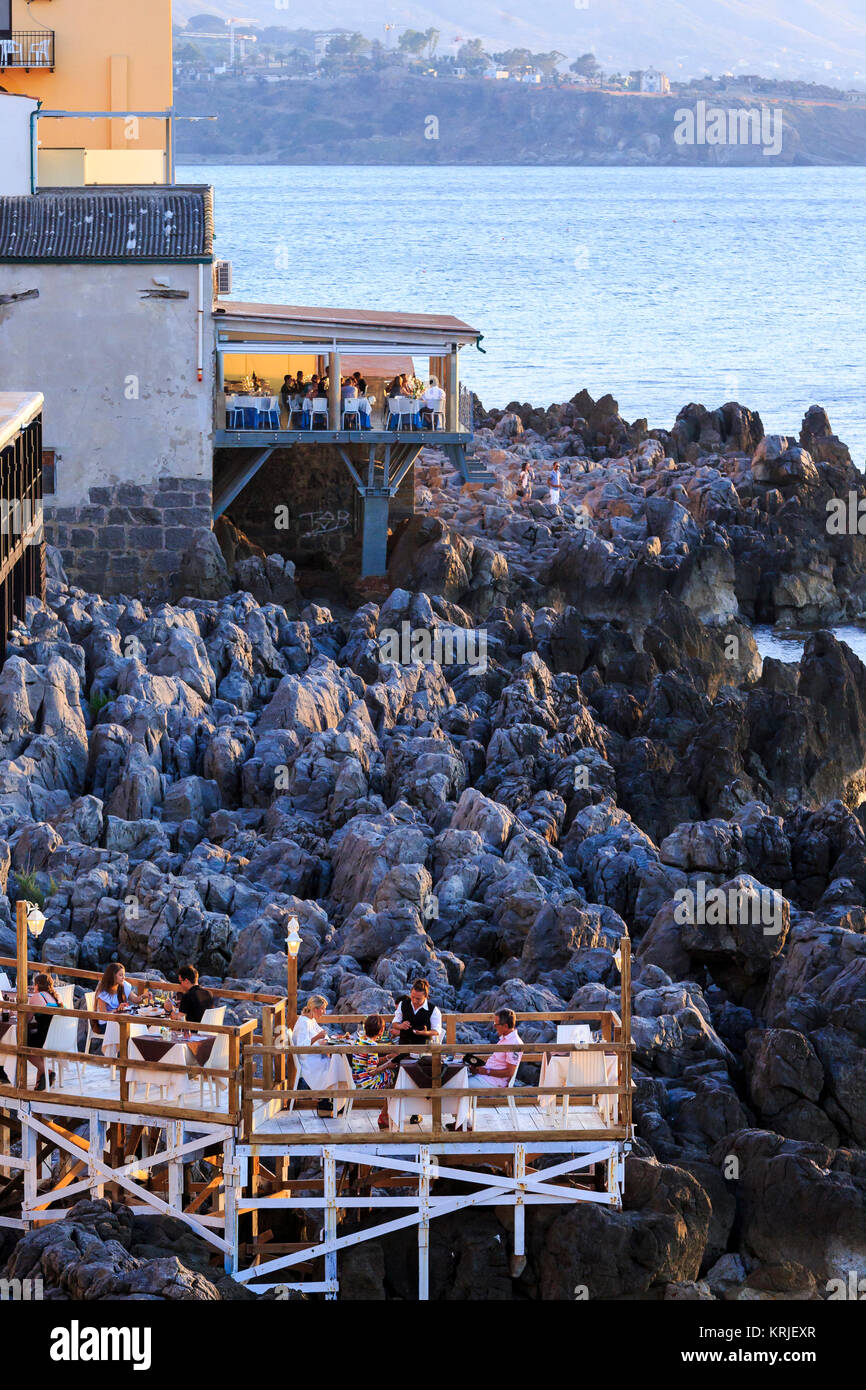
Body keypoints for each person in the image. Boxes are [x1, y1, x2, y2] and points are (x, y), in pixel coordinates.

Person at [349, 1014, 396, 1130]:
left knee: (390, 1076)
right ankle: (387, 1115)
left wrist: (386, 1058)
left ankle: (385, 1115)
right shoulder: (372, 1046)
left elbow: (369, 1062)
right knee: (394, 1077)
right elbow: (372, 1072)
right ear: (381, 1031)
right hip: (367, 1084)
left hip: (357, 1080)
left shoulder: (360, 1040)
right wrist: (388, 1065)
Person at [292, 995, 336, 1109]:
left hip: (316, 1056)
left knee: (335, 1063)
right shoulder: (303, 1022)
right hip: (309, 1061)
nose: (324, 1012)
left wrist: (324, 1038)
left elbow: (322, 1033)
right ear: (315, 1009)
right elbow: (302, 1047)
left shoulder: (311, 1020)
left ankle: (332, 1101)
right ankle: (329, 1101)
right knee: (333, 1067)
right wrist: (317, 1038)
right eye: (323, 1009)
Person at [468, 1009, 522, 1089]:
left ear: (505, 1026)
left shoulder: (514, 1043)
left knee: (454, 1085)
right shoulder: (505, 1039)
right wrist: (479, 1069)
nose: (494, 1026)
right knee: (458, 1080)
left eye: (496, 1024)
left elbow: (510, 1072)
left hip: (494, 1081)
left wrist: (486, 1071)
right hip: (487, 1077)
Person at [28, 972, 61, 1086]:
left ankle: (47, 1072)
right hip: (58, 1038)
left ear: (37, 984)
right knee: (36, 1041)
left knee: (24, 1045)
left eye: (34, 984)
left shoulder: (36, 997)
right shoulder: (56, 997)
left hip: (44, 1039)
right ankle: (40, 1083)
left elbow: (26, 1019)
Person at [390, 978, 442, 1046]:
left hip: (423, 1048)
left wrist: (425, 1033)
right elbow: (394, 1023)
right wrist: (401, 1026)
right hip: (404, 1046)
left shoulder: (434, 1010)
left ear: (425, 996)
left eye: (418, 999)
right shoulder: (403, 1004)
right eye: (412, 997)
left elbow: (436, 1031)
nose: (414, 1001)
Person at [94, 962, 141, 1032]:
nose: (123, 977)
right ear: (112, 976)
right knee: (131, 1027)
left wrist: (144, 996)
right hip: (106, 1024)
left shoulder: (122, 985)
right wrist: (117, 1010)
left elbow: (135, 999)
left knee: (137, 1024)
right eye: (120, 975)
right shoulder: (103, 993)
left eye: (124, 975)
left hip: (118, 1019)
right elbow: (103, 1015)